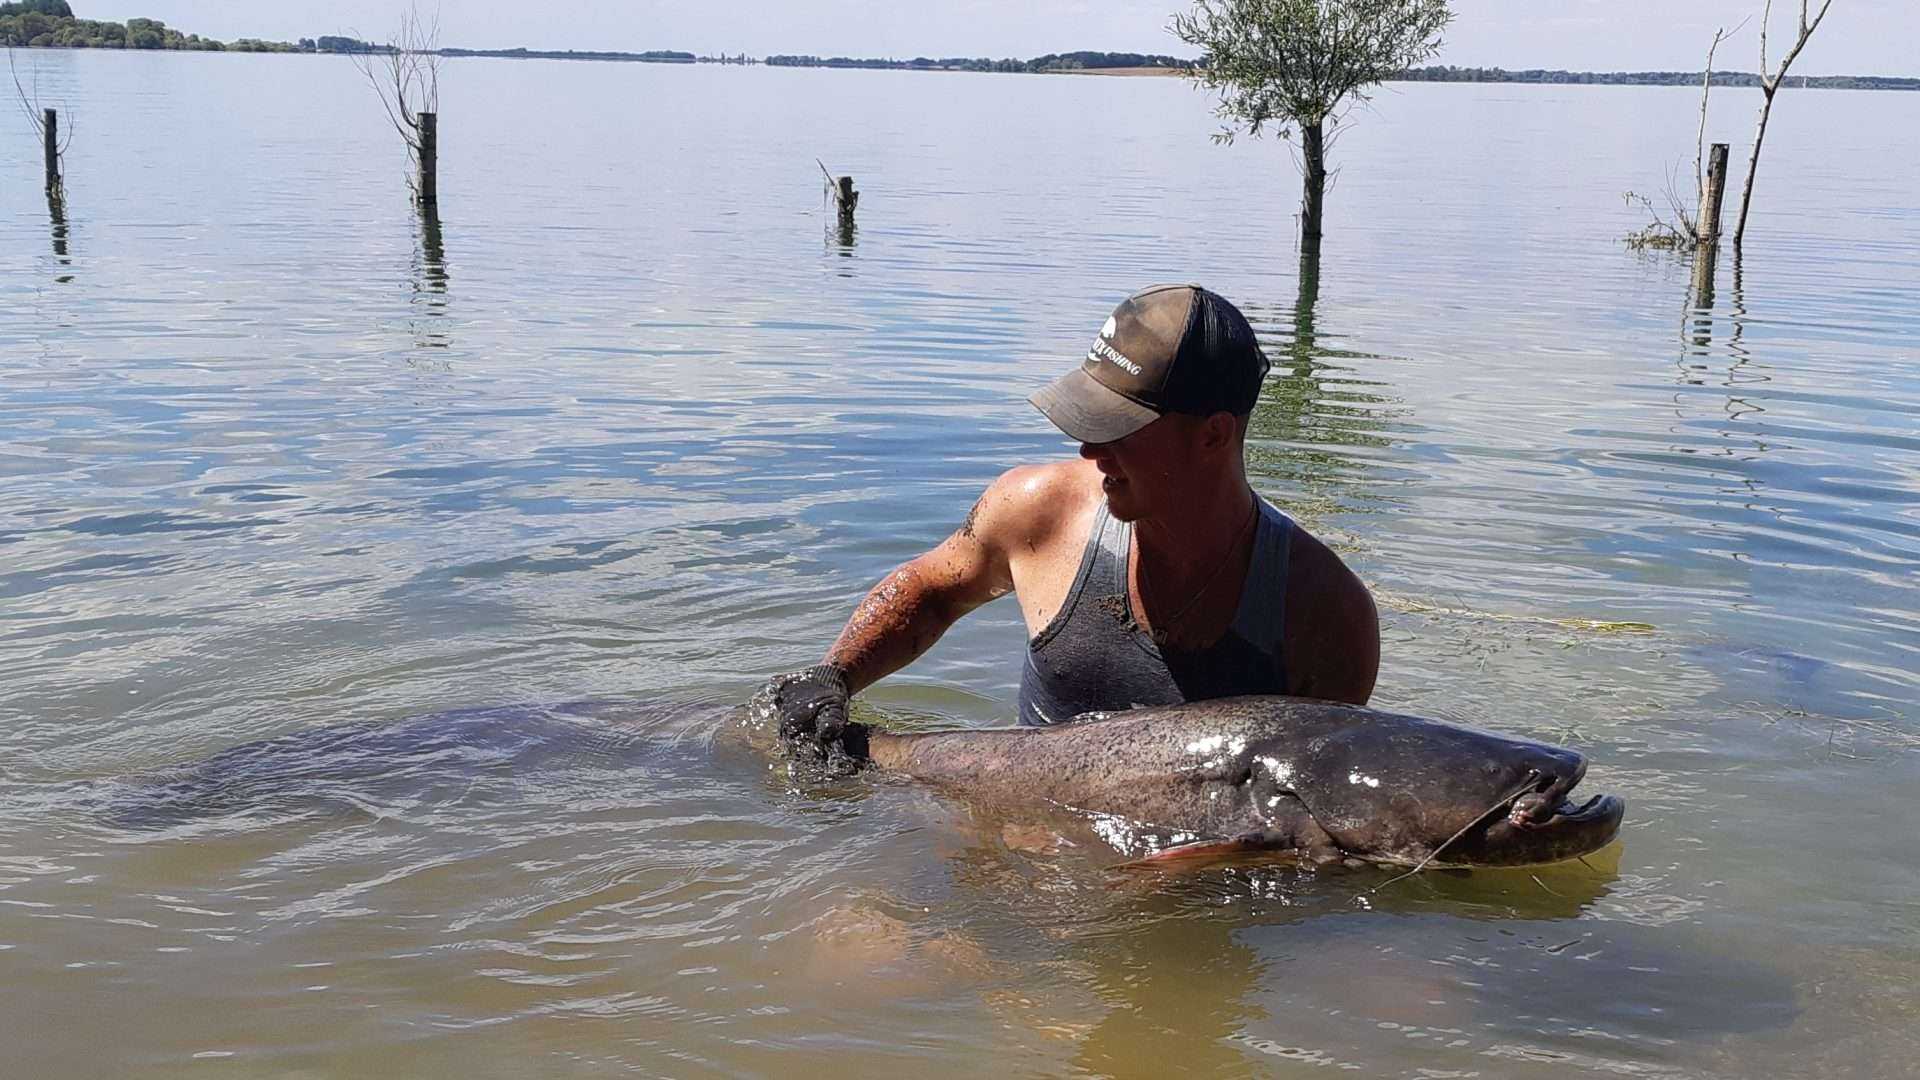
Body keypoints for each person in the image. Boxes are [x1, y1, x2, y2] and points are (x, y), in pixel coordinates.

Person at [767, 284, 1379, 749]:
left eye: (1118, 427)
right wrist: (833, 677)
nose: (1088, 450)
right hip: (1018, 849)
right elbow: (931, 591)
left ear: (1214, 436)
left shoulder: (1324, 616)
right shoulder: (1035, 509)